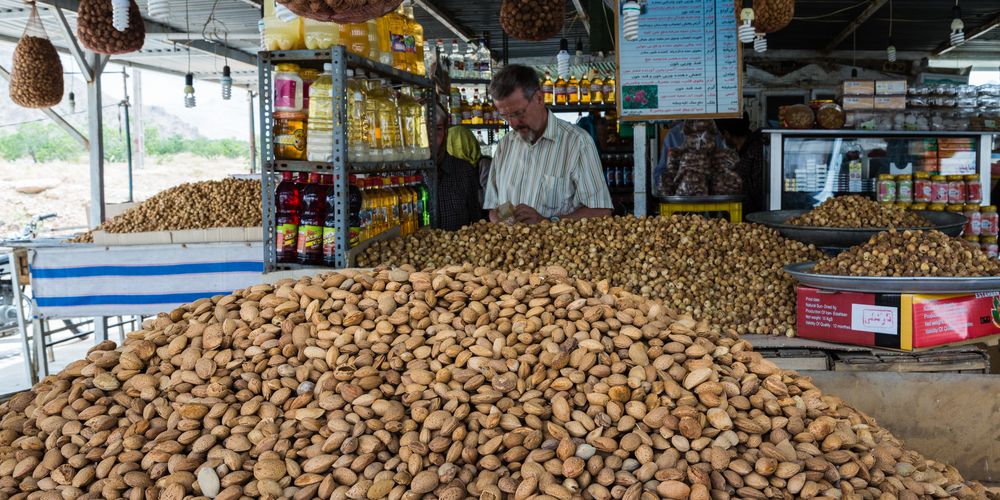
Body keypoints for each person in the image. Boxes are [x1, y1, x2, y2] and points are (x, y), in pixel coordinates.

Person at [483, 65, 612, 224]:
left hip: (559, 248)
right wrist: (500, 219)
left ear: (539, 98)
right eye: (505, 116)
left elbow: (601, 211)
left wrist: (547, 221)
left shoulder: (577, 143)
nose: (513, 123)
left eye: (519, 113)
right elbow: (493, 208)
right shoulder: (505, 146)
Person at [435, 114, 484, 230]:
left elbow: (476, 221)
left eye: (438, 129)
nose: (430, 136)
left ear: (446, 133)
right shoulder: (404, 173)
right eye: (423, 128)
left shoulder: (464, 170)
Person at [715, 115, 767, 213]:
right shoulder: (742, 152)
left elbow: (758, 190)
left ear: (726, 134)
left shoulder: (755, 151)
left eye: (721, 134)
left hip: (754, 215)